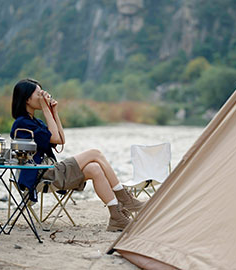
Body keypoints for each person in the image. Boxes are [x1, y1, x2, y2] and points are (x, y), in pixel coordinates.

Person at [10, 78, 145, 231]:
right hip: (41, 174)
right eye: (39, 94)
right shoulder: (22, 123)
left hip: (50, 171)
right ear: (27, 99)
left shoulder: (36, 122)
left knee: (95, 168)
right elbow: (54, 137)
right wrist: (46, 108)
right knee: (95, 153)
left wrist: (54, 112)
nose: (43, 96)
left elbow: (60, 139)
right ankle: (125, 199)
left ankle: (116, 217)